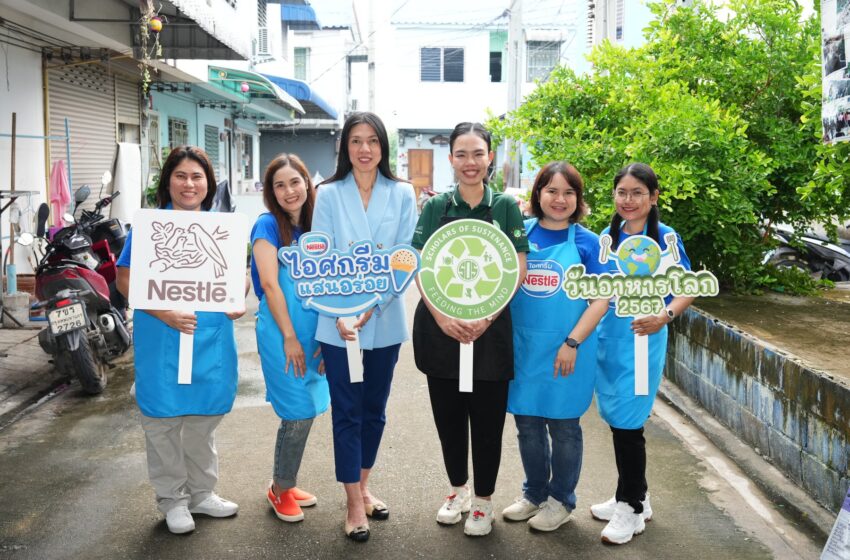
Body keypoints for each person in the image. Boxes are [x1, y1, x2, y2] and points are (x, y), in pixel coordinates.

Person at [116, 146, 244, 534]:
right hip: (161, 336)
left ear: (209, 183)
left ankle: (202, 494)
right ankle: (172, 499)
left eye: (197, 176)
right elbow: (125, 279)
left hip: (210, 337)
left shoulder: (222, 229)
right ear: (167, 182)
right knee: (163, 421)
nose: (189, 184)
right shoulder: (150, 228)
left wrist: (237, 299)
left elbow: (239, 276)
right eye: (181, 176)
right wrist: (164, 313)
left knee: (204, 418)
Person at [411, 122, 529, 537]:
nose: (470, 162)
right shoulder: (435, 207)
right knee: (448, 417)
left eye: (478, 153)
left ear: (490, 157)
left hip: (490, 331)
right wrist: (441, 316)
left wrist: (488, 315)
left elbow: (517, 265)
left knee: (487, 419)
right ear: (451, 160)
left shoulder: (506, 208)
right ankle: (457, 490)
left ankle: (483, 501)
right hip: (439, 328)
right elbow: (420, 265)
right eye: (461, 154)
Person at [311, 112, 417, 542]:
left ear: (383, 147)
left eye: (372, 140)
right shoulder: (329, 195)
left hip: (384, 320)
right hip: (337, 323)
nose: (365, 149)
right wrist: (341, 312)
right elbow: (319, 256)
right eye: (356, 141)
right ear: (345, 148)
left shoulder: (404, 193)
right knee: (347, 412)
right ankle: (353, 502)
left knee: (374, 410)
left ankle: (365, 483)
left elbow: (405, 256)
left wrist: (373, 305)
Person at [590, 162, 695, 544]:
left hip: (644, 340)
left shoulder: (666, 238)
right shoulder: (608, 235)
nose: (628, 200)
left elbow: (687, 287)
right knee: (615, 416)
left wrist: (663, 316)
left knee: (629, 422)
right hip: (610, 337)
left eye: (638, 193)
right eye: (622, 192)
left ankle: (629, 508)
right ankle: (638, 496)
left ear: (653, 197)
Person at [501, 162, 609, 532]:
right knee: (527, 425)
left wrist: (572, 342)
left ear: (577, 199)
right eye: (551, 191)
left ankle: (561, 499)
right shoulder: (518, 235)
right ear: (538, 194)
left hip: (568, 350)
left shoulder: (588, 243)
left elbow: (601, 299)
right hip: (524, 348)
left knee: (564, 428)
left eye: (568, 192)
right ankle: (534, 494)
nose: (559, 199)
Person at [251, 154, 328, 523]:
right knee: (297, 412)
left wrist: (331, 338)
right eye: (279, 185)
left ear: (306, 184)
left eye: (294, 182)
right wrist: (290, 337)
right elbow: (269, 283)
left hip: (318, 334)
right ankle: (280, 489)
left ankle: (286, 479)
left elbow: (335, 285)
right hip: (285, 335)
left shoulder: (319, 225)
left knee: (309, 409)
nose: (288, 191)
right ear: (271, 192)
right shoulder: (267, 226)